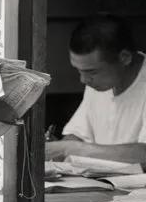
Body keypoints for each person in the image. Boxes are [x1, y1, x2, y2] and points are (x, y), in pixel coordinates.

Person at [46, 14, 146, 165]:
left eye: (91, 72)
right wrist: (55, 148)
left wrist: (68, 149)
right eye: (79, 71)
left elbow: (143, 156)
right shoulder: (99, 82)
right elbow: (78, 136)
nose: (83, 80)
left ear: (124, 57)